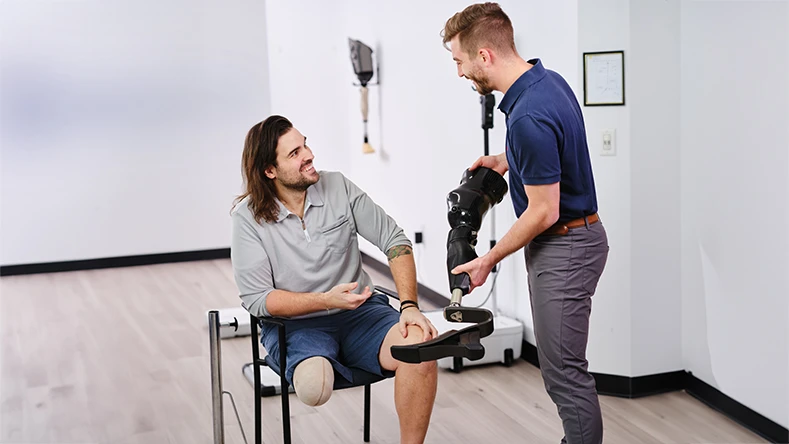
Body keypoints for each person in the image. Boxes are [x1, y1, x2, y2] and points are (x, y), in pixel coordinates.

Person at [442, 3, 610, 444]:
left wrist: (488, 261)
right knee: (565, 371)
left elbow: (543, 211)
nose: (459, 72)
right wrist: (507, 159)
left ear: (486, 56)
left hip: (565, 246)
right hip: (576, 238)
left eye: (459, 60)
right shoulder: (546, 82)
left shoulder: (527, 117)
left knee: (564, 376)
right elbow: (556, 153)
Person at [230, 115, 438, 444]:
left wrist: (410, 306)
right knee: (313, 388)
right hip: (294, 325)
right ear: (270, 170)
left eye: (306, 144)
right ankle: (321, 360)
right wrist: (326, 300)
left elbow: (394, 240)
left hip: (362, 314)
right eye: (294, 153)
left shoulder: (337, 186)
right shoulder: (247, 219)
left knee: (420, 348)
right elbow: (258, 300)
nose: (308, 155)